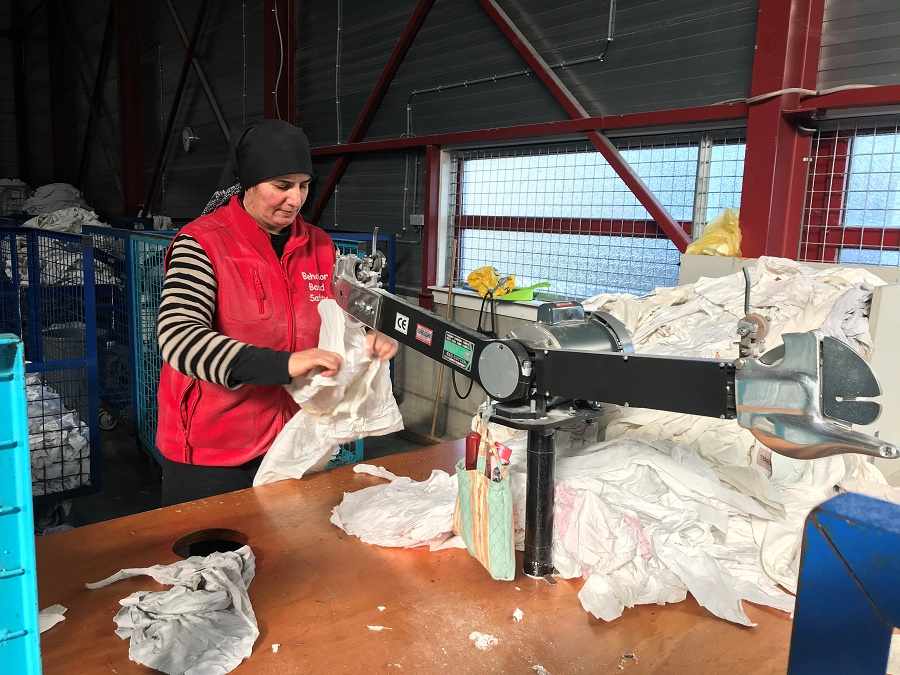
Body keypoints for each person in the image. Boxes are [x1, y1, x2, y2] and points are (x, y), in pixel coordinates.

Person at [155, 119, 397, 506]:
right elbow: (179, 339)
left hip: (294, 443)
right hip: (212, 450)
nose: (295, 199)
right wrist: (284, 364)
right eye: (282, 186)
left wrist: (368, 338)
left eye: (303, 185)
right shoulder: (202, 244)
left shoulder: (320, 246)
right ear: (249, 182)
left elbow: (342, 319)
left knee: (289, 541)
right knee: (215, 544)